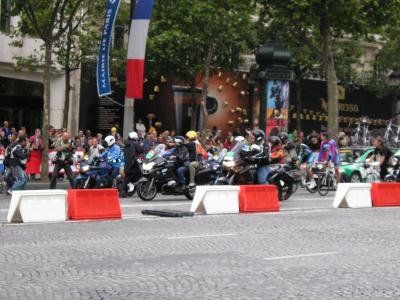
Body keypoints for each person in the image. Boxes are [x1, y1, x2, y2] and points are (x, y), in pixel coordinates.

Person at [120, 131, 144, 197]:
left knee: (127, 177)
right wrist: (141, 145)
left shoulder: (126, 143)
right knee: (141, 176)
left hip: (127, 163)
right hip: (133, 163)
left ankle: (123, 191)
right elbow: (141, 150)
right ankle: (140, 189)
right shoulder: (134, 143)